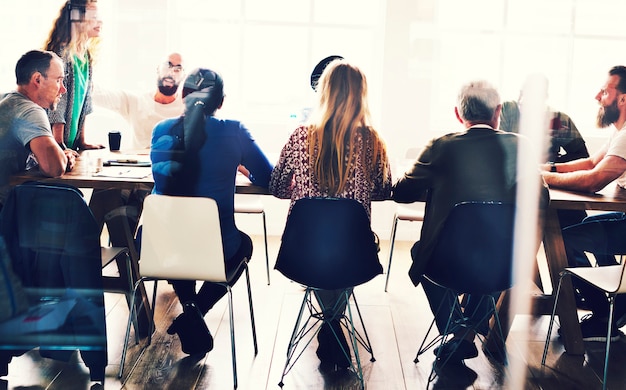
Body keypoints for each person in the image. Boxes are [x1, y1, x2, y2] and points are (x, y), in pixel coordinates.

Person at [392, 80, 548, 366]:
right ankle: (466, 329)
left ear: (457, 114)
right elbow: (542, 198)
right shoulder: (521, 146)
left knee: (420, 252)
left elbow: (402, 193)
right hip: (503, 265)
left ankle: (457, 330)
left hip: (448, 264)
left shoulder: (441, 147)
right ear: (498, 111)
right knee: (495, 256)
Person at [269, 59, 392, 370]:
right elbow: (383, 190)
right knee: (348, 242)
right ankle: (333, 325)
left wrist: (304, 187)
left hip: (302, 248)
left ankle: (330, 326)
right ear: (361, 95)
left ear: (322, 93)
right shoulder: (372, 141)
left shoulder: (299, 136)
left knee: (325, 248)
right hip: (355, 251)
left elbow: (277, 187)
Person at [149, 67, 273, 356]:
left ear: (182, 96)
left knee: (179, 234)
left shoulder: (161, 130)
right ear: (221, 101)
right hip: (214, 248)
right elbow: (268, 178)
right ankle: (195, 313)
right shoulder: (233, 131)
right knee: (243, 244)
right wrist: (239, 165)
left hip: (159, 247)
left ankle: (190, 308)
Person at [541, 65, 626, 342]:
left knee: (562, 241)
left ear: (622, 99)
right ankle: (616, 307)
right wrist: (549, 168)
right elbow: (591, 163)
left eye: (605, 91)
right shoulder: (620, 132)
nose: (597, 96)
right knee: (583, 227)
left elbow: (594, 179)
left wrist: (543, 178)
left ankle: (604, 312)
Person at [501, 75, 590, 228]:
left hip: (547, 183)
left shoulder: (559, 119)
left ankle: (574, 245)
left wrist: (550, 164)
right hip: (513, 183)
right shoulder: (508, 110)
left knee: (573, 222)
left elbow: (582, 157)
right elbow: (499, 149)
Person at [0, 50, 76, 209]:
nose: (63, 89)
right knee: (71, 201)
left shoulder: (6, 100)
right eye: (59, 80)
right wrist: (64, 156)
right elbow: (54, 167)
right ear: (37, 79)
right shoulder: (29, 111)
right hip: (5, 214)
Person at [44, 0, 104, 151]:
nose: (100, 21)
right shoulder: (61, 55)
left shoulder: (86, 56)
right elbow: (57, 102)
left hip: (70, 145)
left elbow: (85, 101)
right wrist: (59, 145)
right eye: (94, 16)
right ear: (77, 18)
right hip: (52, 146)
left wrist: (82, 142)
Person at [92, 53, 186, 149]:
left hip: (174, 163)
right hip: (139, 162)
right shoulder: (137, 101)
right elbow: (97, 94)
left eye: (177, 69)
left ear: (184, 76)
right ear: (158, 69)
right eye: (167, 66)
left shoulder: (188, 107)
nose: (171, 73)